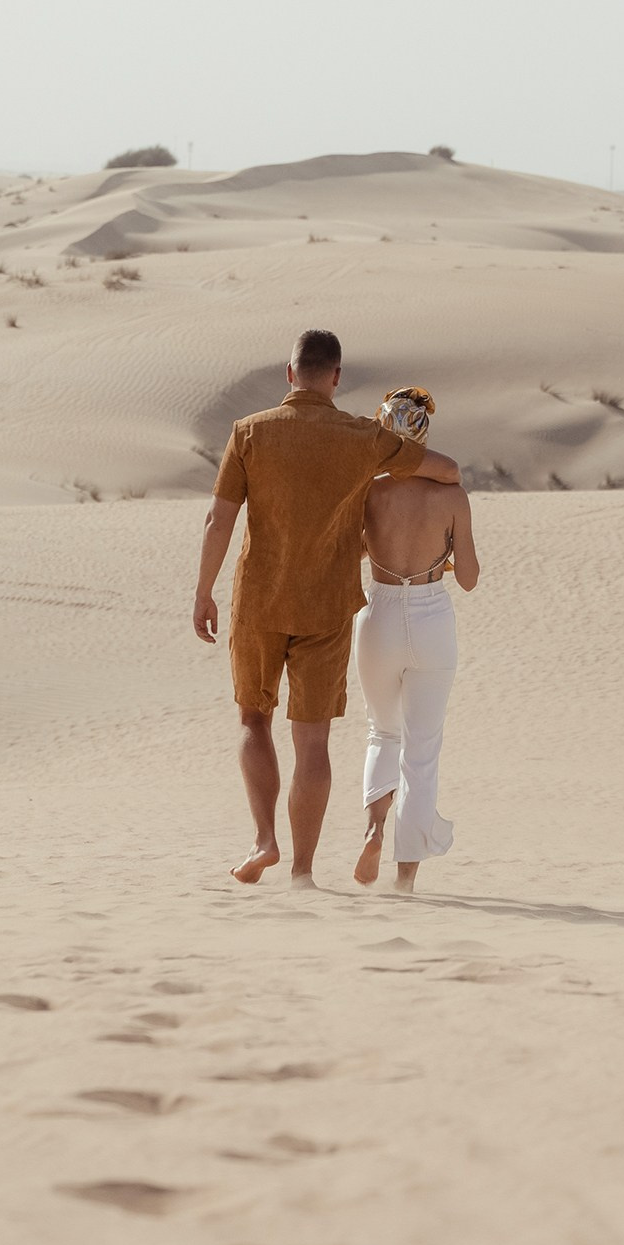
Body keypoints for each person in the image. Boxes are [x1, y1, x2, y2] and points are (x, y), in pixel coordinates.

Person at [193, 330, 462, 887]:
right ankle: (302, 871)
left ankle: (264, 839)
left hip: (259, 602)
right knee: (311, 739)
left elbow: (219, 520)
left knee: (252, 718)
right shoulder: (363, 437)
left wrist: (203, 592)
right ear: (336, 377)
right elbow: (443, 468)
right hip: (327, 606)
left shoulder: (249, 432)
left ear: (289, 374)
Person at [354, 392, 479, 893]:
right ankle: (405, 877)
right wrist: (444, 555)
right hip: (430, 617)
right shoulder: (451, 497)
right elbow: (468, 578)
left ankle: (373, 828)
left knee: (381, 732)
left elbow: (353, 553)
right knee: (421, 751)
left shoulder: (368, 492)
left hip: (378, 612)